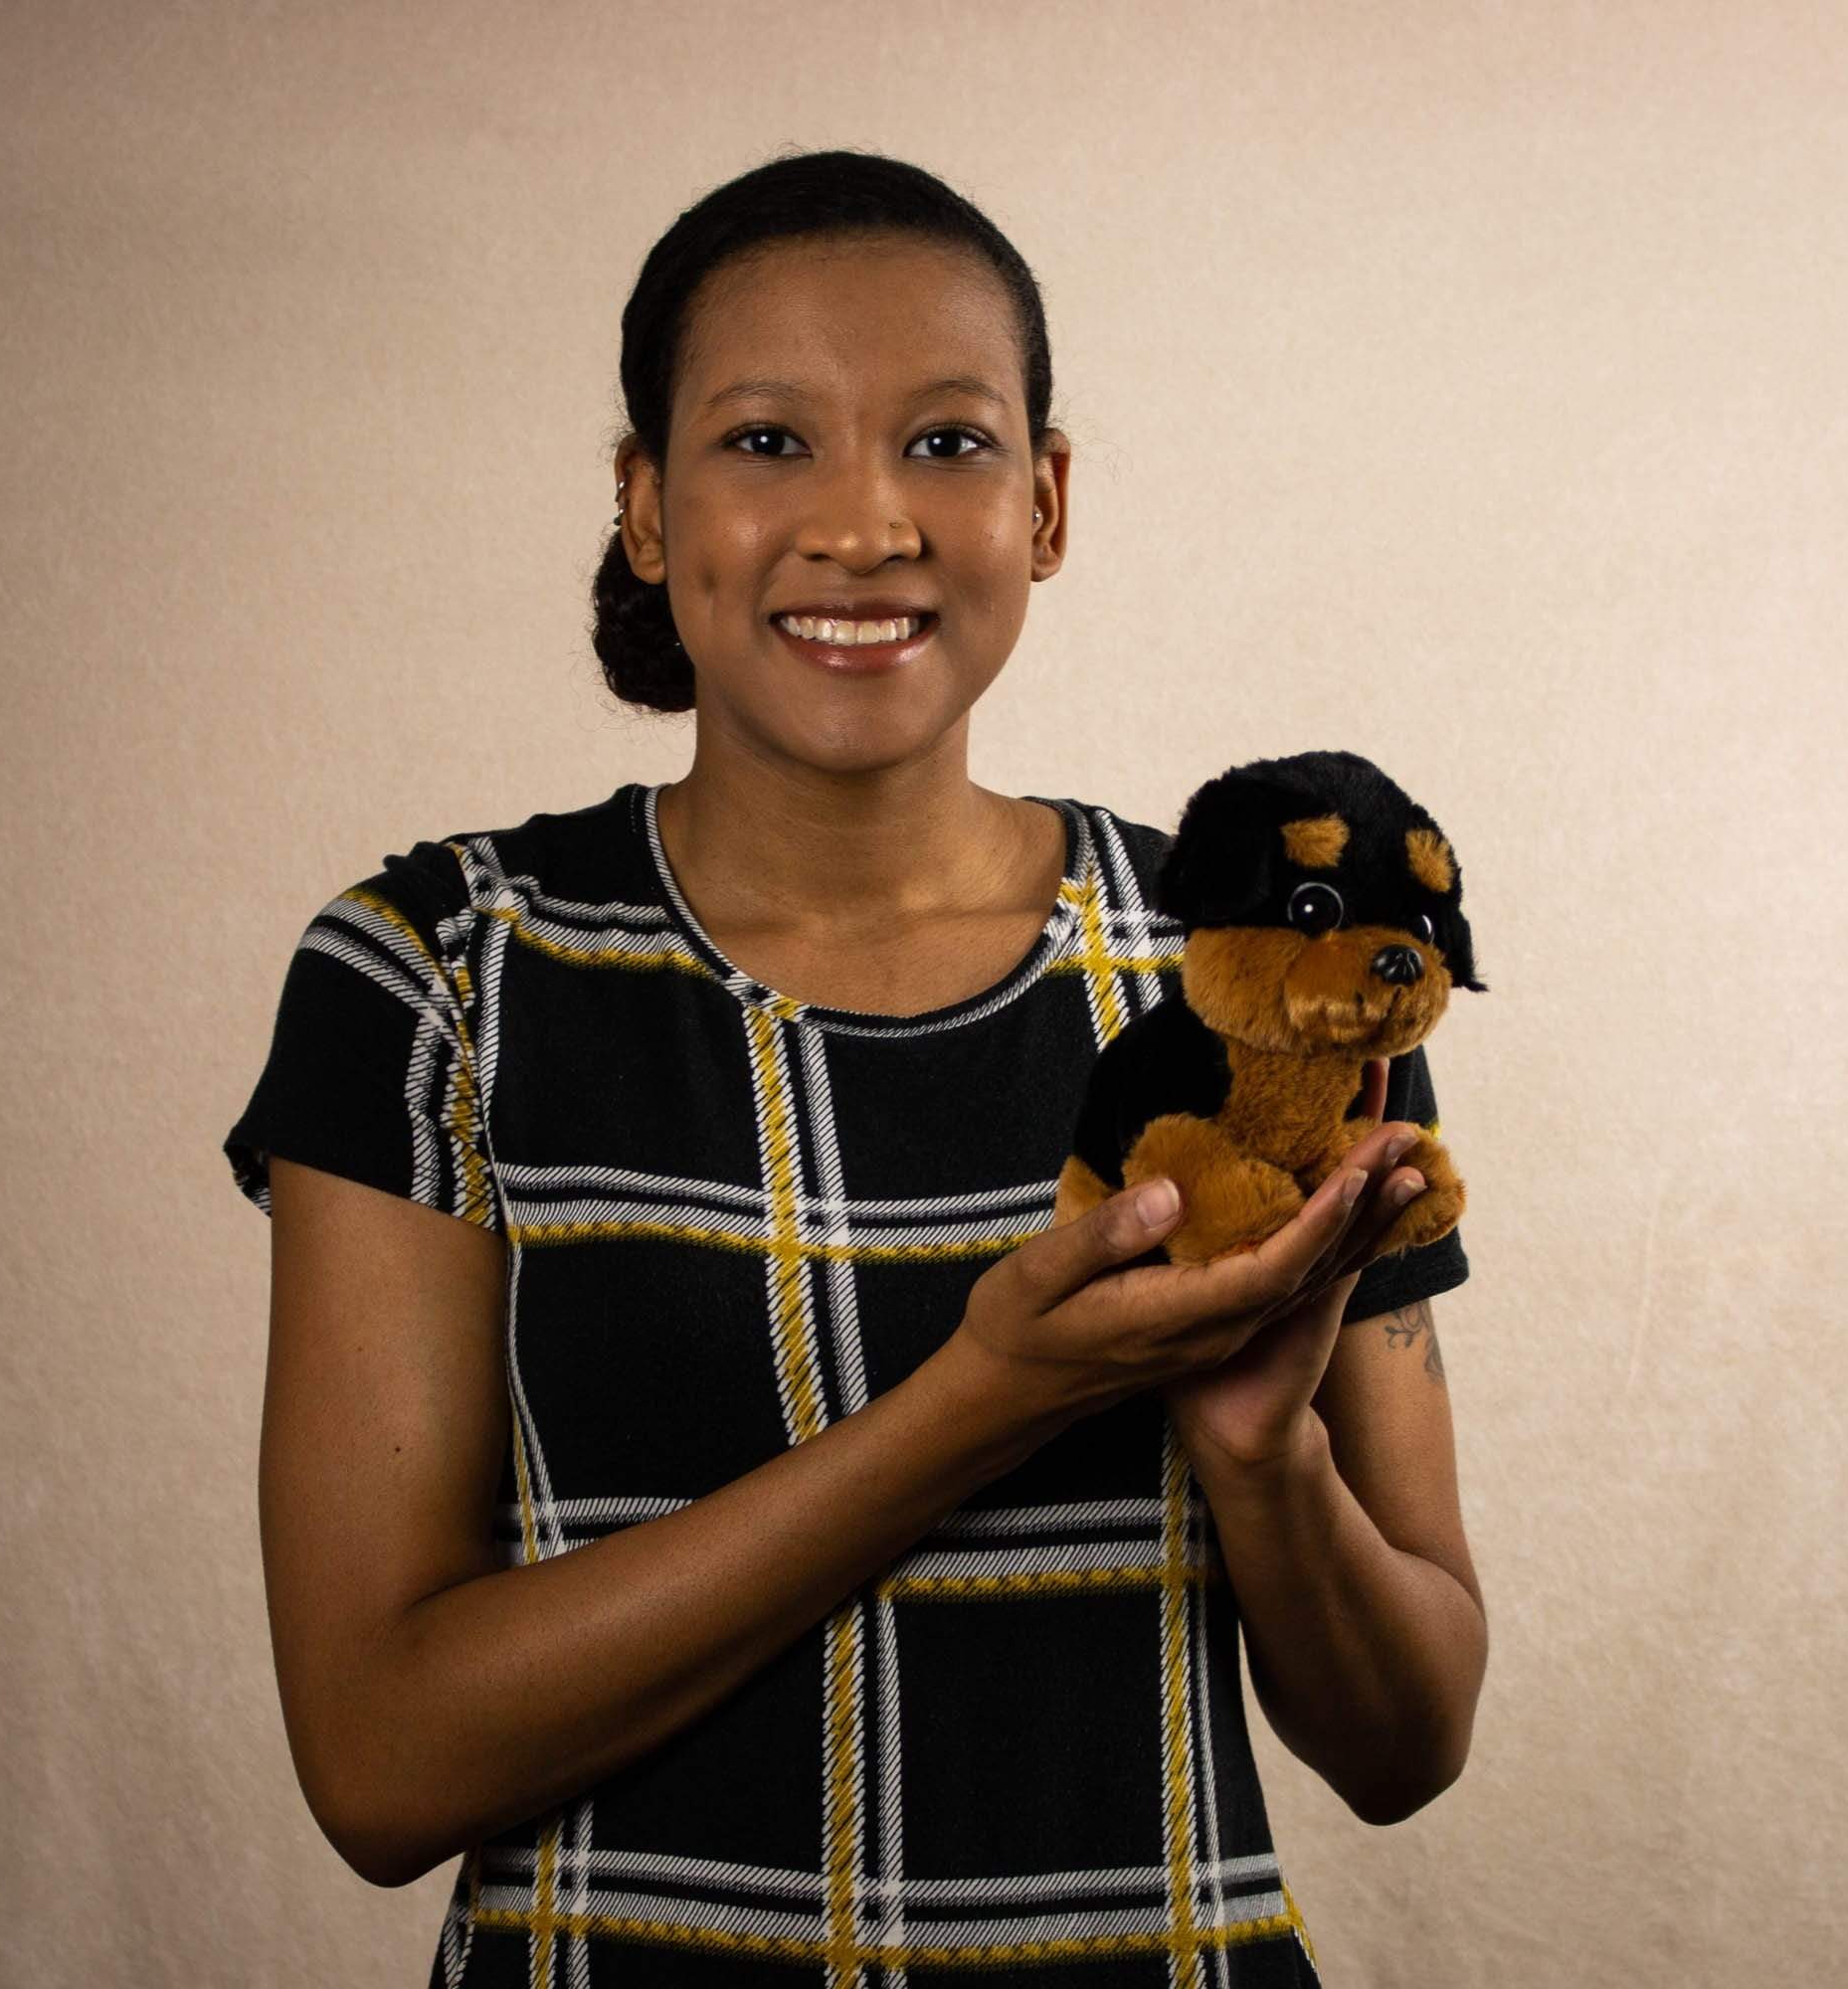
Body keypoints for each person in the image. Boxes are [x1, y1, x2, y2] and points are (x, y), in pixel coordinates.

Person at [224, 147, 1487, 1989]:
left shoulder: (1263, 971)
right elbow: (378, 1763)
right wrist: (984, 1399)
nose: (867, 521)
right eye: (765, 442)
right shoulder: (435, 977)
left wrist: (1261, 1454)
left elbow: (1412, 1738)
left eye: (950, 443)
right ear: (646, 508)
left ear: (1048, 505)